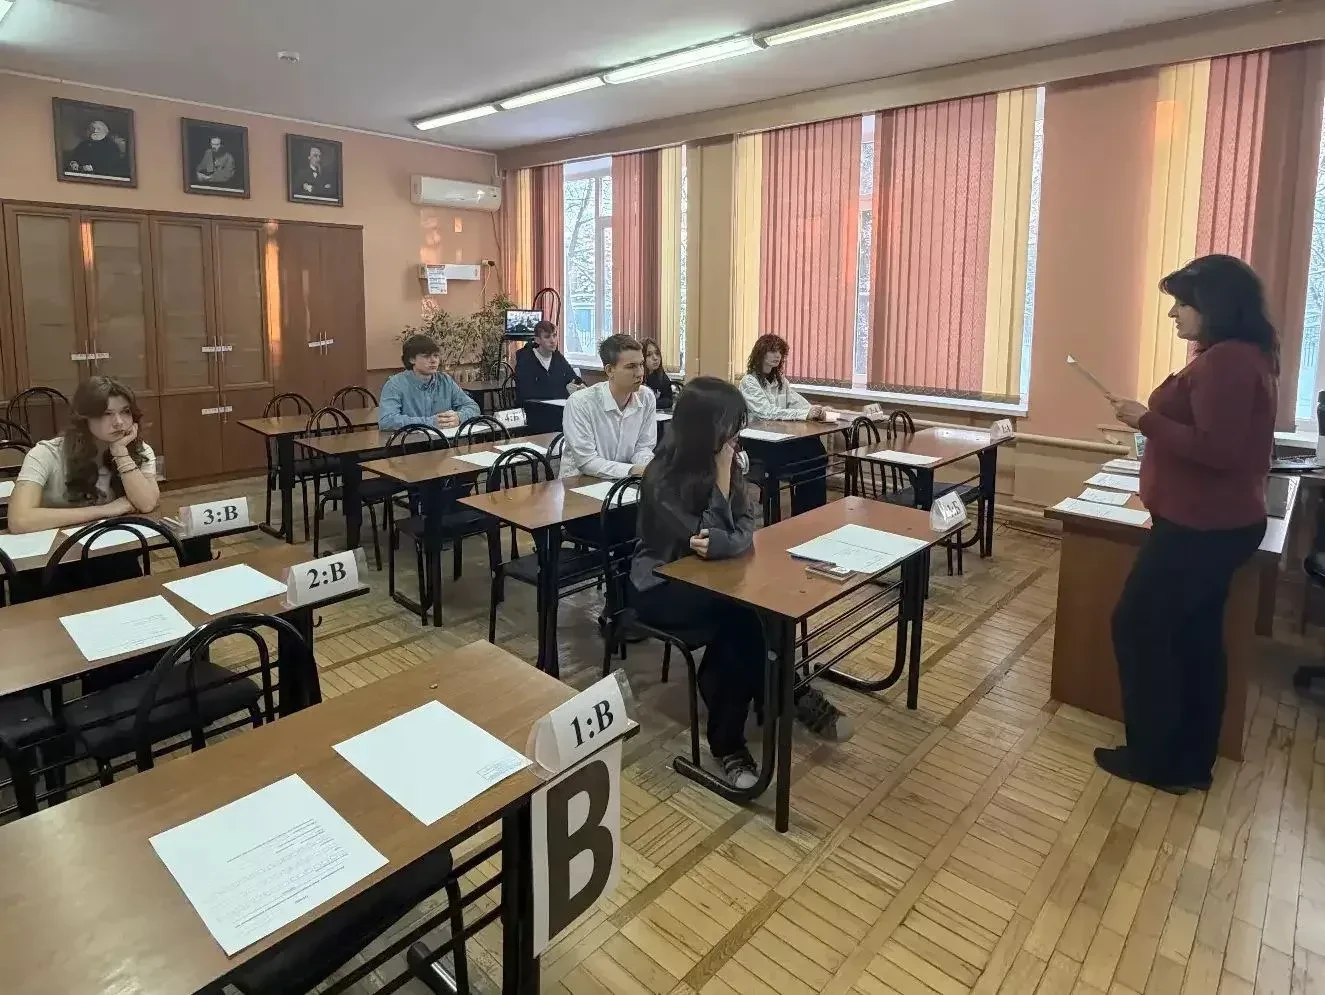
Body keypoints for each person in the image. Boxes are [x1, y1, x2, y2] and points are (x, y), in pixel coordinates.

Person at [1099, 254, 1277, 794]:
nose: (1174, 313)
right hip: (1217, 523)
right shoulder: (1240, 355)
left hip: (1200, 528)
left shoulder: (1227, 362)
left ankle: (1154, 757)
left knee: (1138, 627)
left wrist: (1144, 419)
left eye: (1183, 303)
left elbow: (1217, 450)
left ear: (1214, 305)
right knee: (1194, 637)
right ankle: (1190, 759)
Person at [631, 378, 851, 789]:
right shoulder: (660, 477)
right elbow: (703, 539)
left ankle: (774, 698)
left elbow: (745, 526)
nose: (737, 433)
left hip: (716, 579)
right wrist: (720, 485)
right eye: (730, 424)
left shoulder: (728, 459)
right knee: (745, 620)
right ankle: (745, 726)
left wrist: (724, 539)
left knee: (758, 610)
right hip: (661, 586)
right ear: (704, 427)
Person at [9, 376, 159, 535]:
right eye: (106, 413)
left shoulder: (139, 450)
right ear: (84, 418)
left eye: (125, 412)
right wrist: (106, 510)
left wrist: (120, 453)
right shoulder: (46, 453)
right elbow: (19, 520)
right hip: (61, 546)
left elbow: (147, 504)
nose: (119, 422)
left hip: (119, 541)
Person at [738, 334, 831, 515]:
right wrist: (804, 414)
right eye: (772, 351)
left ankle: (811, 511)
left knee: (816, 451)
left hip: (780, 438)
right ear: (761, 353)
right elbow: (767, 412)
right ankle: (803, 510)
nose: (777, 355)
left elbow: (796, 402)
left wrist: (815, 409)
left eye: (780, 352)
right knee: (808, 455)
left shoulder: (780, 380)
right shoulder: (749, 381)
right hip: (759, 443)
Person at [560, 334, 656, 480]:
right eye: (631, 366)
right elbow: (587, 462)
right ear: (610, 370)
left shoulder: (646, 397)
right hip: (579, 483)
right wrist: (633, 470)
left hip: (622, 482)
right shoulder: (580, 403)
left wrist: (651, 467)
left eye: (641, 364)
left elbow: (643, 448)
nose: (640, 373)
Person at [378, 334, 480, 432]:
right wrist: (431, 422)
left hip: (444, 440)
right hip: (410, 442)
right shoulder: (395, 384)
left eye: (436, 356)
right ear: (411, 359)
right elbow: (387, 421)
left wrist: (459, 417)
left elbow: (473, 407)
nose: (433, 360)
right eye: (427, 356)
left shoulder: (445, 381)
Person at [515, 320, 584, 433]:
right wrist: (563, 391)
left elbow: (574, 378)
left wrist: (581, 386)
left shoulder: (558, 357)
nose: (553, 341)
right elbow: (526, 393)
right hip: (535, 414)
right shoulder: (526, 360)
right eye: (547, 337)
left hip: (558, 413)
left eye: (554, 335)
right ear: (537, 340)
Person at [642, 338, 675, 411]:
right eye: (649, 355)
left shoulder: (662, 376)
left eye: (657, 353)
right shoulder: (636, 378)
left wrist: (651, 404)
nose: (655, 358)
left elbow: (669, 401)